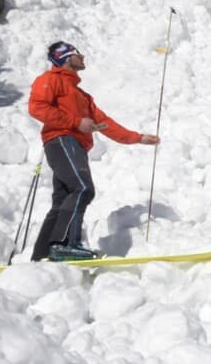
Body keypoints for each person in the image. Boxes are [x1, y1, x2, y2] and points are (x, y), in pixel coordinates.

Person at [27, 41, 159, 261]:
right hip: (62, 140)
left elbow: (104, 122)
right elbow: (37, 107)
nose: (82, 57)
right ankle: (65, 245)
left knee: (63, 199)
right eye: (77, 53)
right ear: (64, 58)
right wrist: (76, 122)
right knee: (82, 188)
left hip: (72, 144)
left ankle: (42, 256)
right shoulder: (50, 79)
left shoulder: (81, 96)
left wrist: (138, 138)